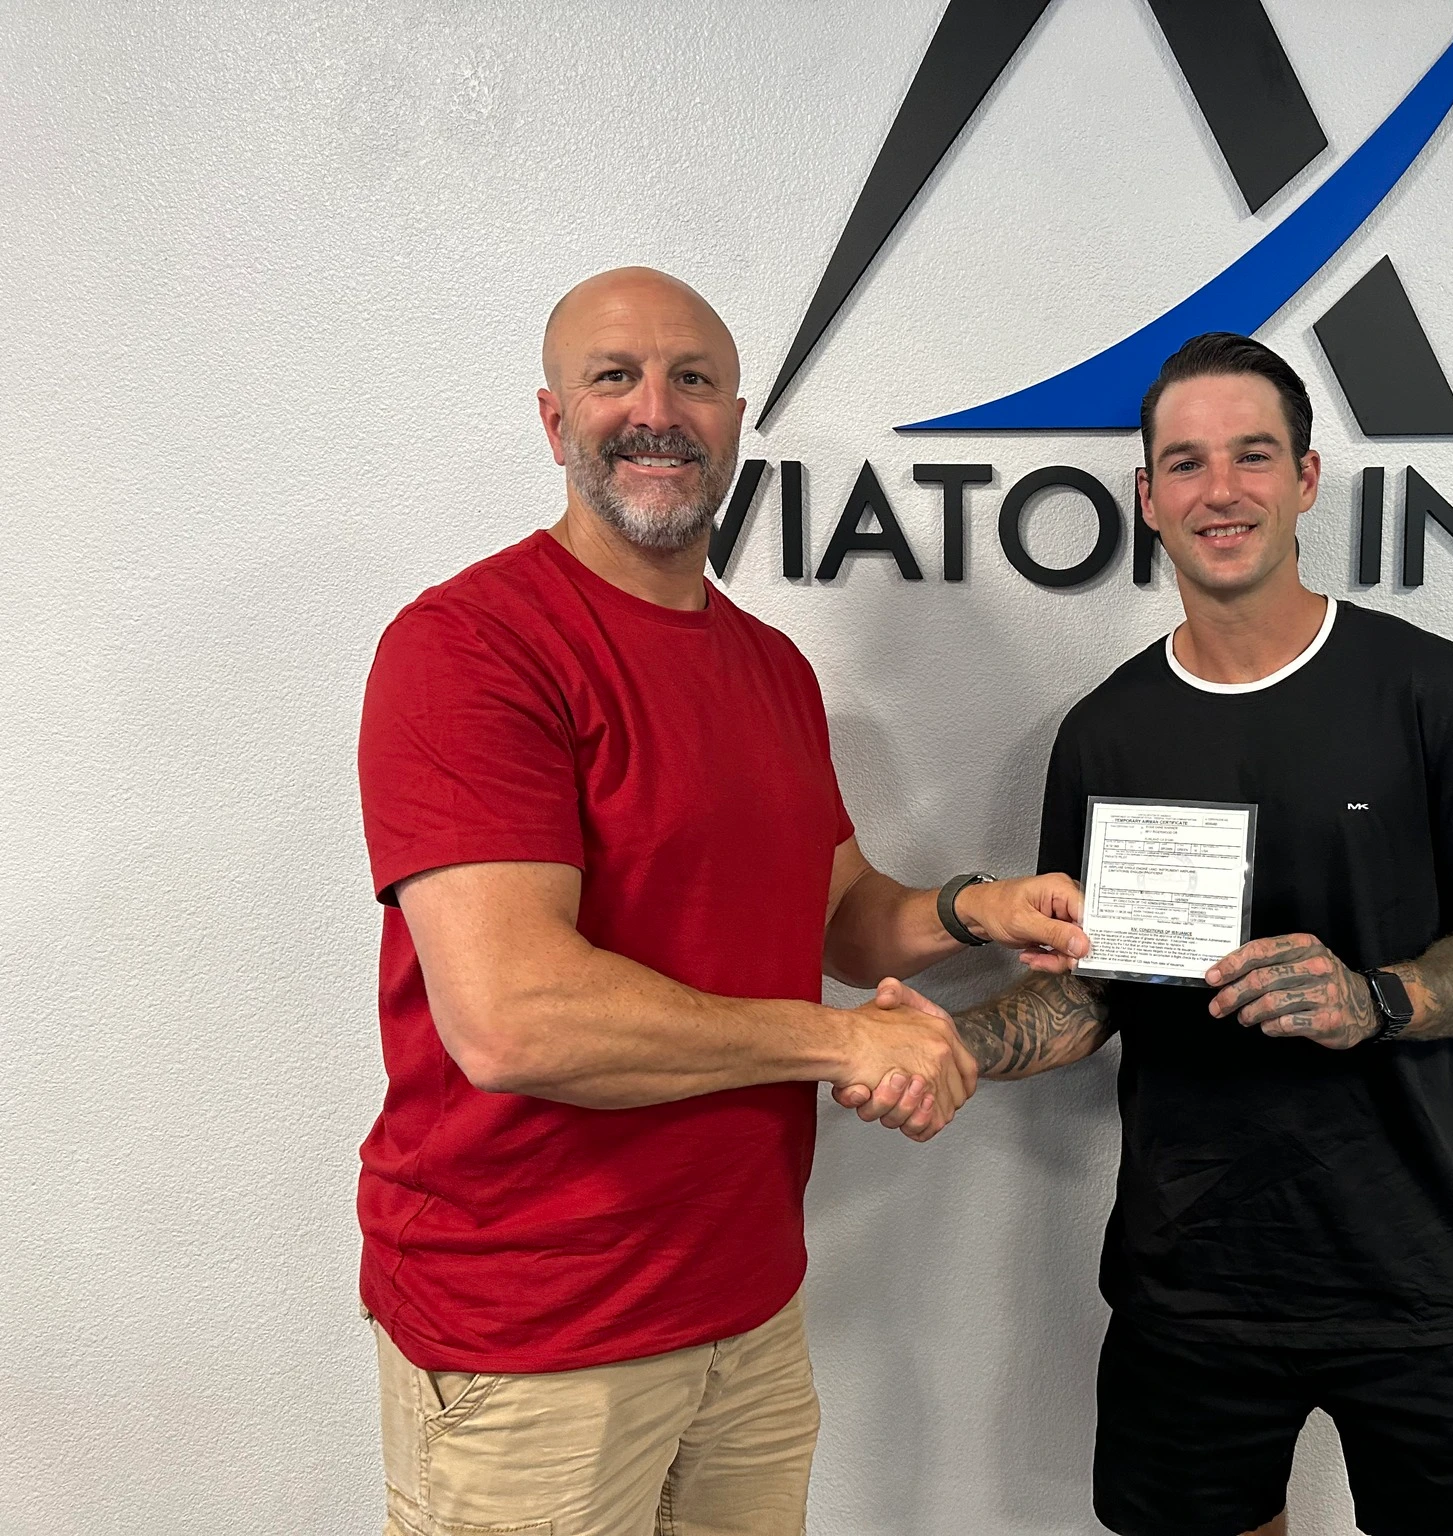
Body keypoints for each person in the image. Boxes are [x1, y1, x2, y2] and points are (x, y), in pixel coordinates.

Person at [354, 265, 1086, 1536]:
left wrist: (977, 906)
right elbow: (513, 1016)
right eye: (614, 377)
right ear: (551, 419)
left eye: (692, 378)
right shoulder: (473, 647)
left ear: (737, 418)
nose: (657, 409)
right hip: (536, 1336)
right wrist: (841, 1039)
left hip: (745, 1312)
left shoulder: (769, 668)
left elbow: (834, 907)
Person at [851, 332, 1453, 1536]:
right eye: (1183, 463)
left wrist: (1375, 999)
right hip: (1190, 1285)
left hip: (1415, 1273)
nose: (1217, 489)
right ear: (1145, 496)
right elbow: (1094, 995)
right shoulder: (1106, 732)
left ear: (1303, 479)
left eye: (1250, 455)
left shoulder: (1429, 691)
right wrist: (958, 1044)